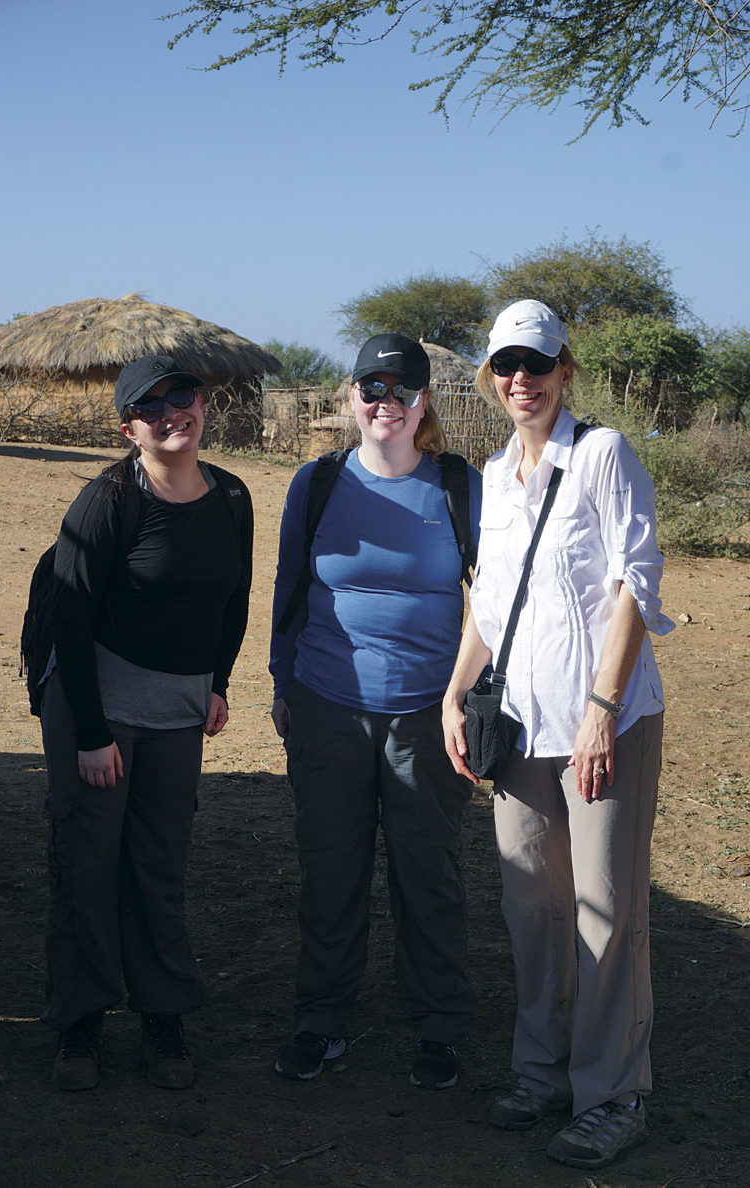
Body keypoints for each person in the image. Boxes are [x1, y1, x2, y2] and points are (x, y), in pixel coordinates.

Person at [442, 300, 674, 1170]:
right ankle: (541, 1072)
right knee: (532, 905)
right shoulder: (494, 474)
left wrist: (601, 710)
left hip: (601, 726)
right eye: (506, 365)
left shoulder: (604, 454)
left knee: (606, 911)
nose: (520, 380)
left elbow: (636, 587)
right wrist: (454, 691)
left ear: (564, 370)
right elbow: (490, 609)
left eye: (536, 364)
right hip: (520, 729)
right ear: (490, 377)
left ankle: (613, 1093)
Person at [270, 333, 481, 1088]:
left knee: (430, 874)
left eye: (401, 390)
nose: (384, 403)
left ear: (425, 403)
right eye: (371, 389)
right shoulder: (317, 483)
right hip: (328, 705)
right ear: (349, 399)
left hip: (429, 713)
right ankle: (320, 1022)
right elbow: (291, 586)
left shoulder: (460, 486)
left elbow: (489, 604)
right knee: (331, 871)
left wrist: (471, 701)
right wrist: (282, 683)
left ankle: (438, 1029)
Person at [40, 355, 253, 1091]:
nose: (173, 414)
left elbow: (234, 600)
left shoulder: (231, 495)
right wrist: (93, 733)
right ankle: (80, 1024)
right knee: (88, 865)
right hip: (98, 711)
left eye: (183, 397)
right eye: (151, 406)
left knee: (159, 867)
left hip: (176, 714)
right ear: (127, 427)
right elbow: (69, 617)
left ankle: (163, 1017)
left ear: (202, 405)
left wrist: (217, 686)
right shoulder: (104, 501)